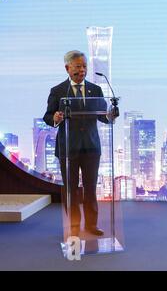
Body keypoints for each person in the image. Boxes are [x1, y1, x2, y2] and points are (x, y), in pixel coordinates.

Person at [43, 50, 117, 236]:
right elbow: (47, 116)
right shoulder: (58, 91)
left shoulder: (96, 90)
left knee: (91, 187)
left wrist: (111, 115)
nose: (82, 70)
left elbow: (103, 117)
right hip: (68, 147)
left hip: (91, 147)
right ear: (67, 68)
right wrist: (56, 117)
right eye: (77, 66)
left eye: (84, 66)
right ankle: (74, 226)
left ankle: (91, 225)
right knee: (72, 189)